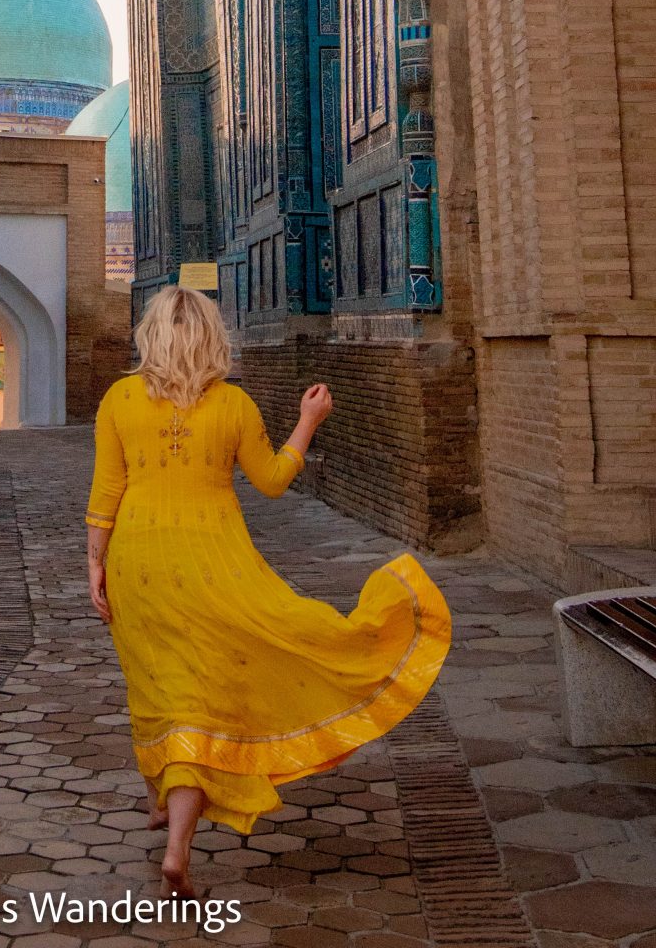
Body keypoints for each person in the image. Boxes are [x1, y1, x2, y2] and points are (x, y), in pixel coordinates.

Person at [86, 284, 450, 892]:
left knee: (156, 679)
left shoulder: (119, 399)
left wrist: (94, 563)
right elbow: (274, 481)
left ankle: (165, 798)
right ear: (211, 337)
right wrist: (308, 422)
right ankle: (176, 839)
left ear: (151, 336)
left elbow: (105, 496)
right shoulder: (234, 405)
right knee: (203, 687)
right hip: (216, 561)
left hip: (136, 559)